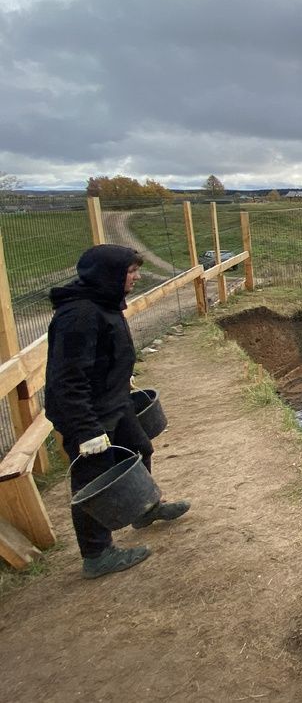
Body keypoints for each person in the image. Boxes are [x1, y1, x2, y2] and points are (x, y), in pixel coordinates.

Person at [44, 245, 190, 579]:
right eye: (131, 271)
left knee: (140, 449)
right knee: (93, 482)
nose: (137, 277)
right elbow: (67, 379)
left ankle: (143, 509)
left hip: (114, 402)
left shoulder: (104, 302)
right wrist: (86, 430)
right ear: (108, 274)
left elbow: (103, 355)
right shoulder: (78, 316)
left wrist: (121, 379)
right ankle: (97, 554)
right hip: (88, 415)